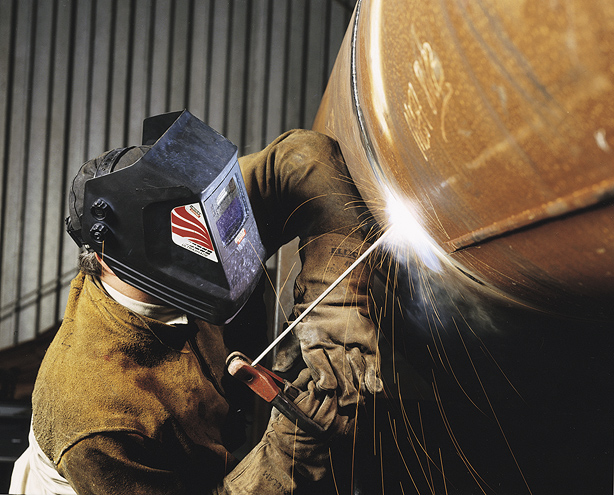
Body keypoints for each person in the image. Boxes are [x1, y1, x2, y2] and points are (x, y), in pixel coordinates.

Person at [10, 111, 382, 494]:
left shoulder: (183, 212)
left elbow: (301, 158)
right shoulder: (99, 419)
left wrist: (336, 311)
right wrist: (288, 455)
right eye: (190, 241)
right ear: (111, 255)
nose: (212, 247)